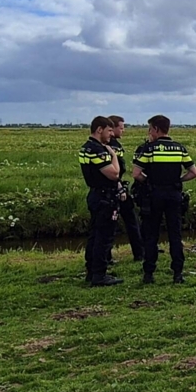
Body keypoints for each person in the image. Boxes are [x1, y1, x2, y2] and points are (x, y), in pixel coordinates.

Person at [133, 115, 196, 284]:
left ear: (156, 129)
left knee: (151, 235)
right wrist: (178, 180)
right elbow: (194, 173)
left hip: (154, 195)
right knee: (175, 235)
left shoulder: (149, 149)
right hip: (174, 195)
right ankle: (177, 273)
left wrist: (149, 182)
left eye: (150, 129)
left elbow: (136, 174)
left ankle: (149, 273)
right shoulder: (179, 148)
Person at [78, 116, 123, 287]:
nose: (111, 134)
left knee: (94, 235)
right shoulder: (98, 150)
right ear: (99, 130)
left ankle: (91, 270)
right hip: (105, 197)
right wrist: (113, 156)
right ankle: (100, 274)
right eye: (109, 130)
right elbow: (114, 174)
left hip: (95, 195)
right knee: (104, 237)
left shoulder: (85, 148)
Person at [106, 115, 144, 263]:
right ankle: (139, 254)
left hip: (117, 185)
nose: (123, 131)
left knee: (112, 223)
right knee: (129, 221)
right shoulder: (112, 146)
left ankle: (107, 256)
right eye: (121, 128)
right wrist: (119, 186)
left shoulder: (110, 145)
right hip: (116, 187)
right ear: (112, 128)